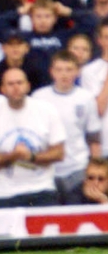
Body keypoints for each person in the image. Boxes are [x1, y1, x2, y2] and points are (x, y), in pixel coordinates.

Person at [0, 68, 65, 207]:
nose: (16, 87)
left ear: (28, 86)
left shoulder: (47, 110)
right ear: (2, 89)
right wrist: (13, 156)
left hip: (42, 189)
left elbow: (59, 153)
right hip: (5, 193)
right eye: (10, 84)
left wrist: (31, 157)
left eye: (19, 83)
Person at [32, 50, 101, 204]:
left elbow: (94, 136)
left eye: (69, 69)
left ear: (77, 71)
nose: (64, 74)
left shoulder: (86, 98)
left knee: (77, 214)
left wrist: (95, 170)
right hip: (47, 170)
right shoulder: (39, 97)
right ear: (52, 72)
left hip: (78, 168)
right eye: (59, 69)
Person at [82, 19, 108, 158]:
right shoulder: (89, 71)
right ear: (99, 41)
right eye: (107, 37)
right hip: (104, 144)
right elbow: (97, 110)